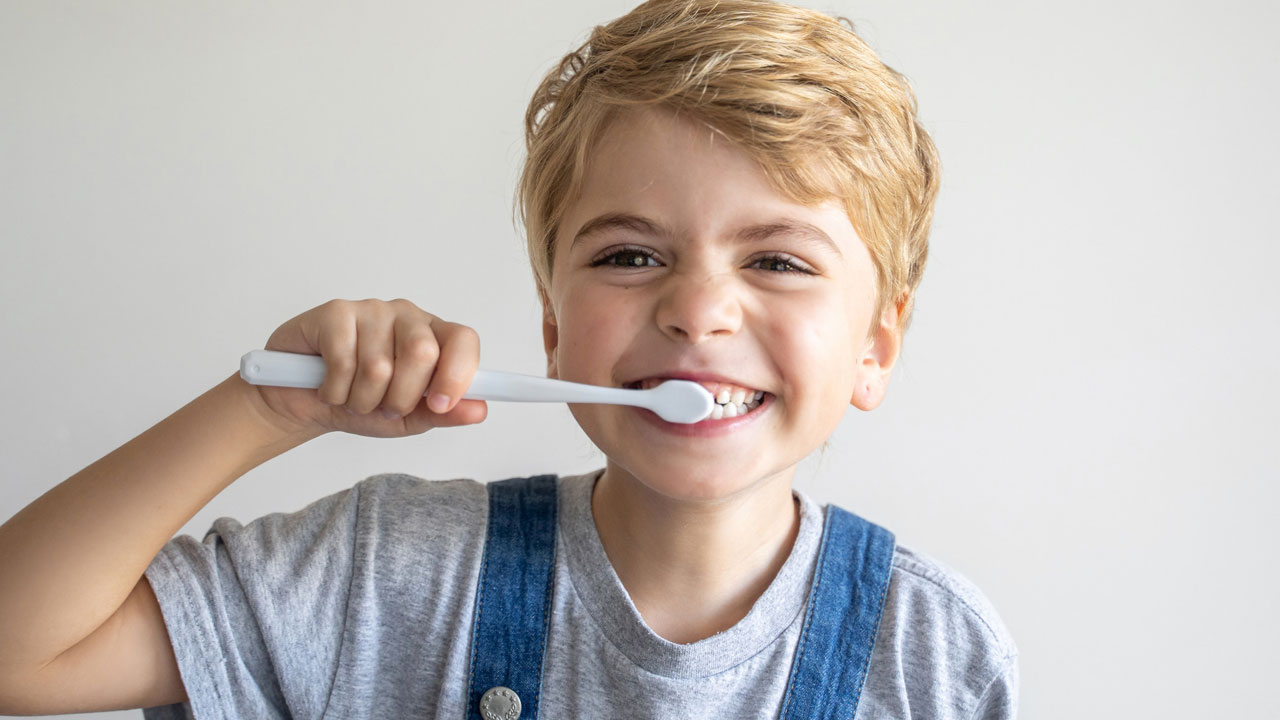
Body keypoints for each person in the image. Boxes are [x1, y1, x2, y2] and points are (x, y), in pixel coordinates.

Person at [0, 0, 1018, 717]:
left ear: (875, 347)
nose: (698, 311)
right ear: (551, 322)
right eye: (629, 255)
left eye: (778, 260)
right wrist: (264, 410)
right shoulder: (386, 573)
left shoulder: (931, 652)